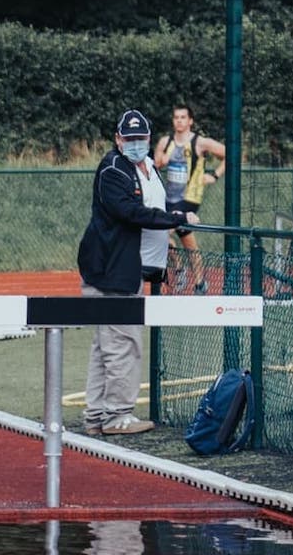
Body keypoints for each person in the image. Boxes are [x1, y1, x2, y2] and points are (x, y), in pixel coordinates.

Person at [77, 109, 199, 436]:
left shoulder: (146, 167)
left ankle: (97, 416)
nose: (134, 143)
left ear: (148, 138)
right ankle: (116, 415)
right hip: (112, 273)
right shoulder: (113, 168)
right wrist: (175, 220)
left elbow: (152, 209)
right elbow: (130, 213)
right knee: (122, 345)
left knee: (107, 347)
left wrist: (170, 222)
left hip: (125, 270)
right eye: (128, 138)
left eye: (140, 138)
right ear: (118, 139)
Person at [152, 104, 225, 294]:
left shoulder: (200, 143)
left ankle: (182, 271)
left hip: (189, 198)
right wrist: (162, 161)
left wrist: (214, 175)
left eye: (183, 117)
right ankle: (196, 279)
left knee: (164, 232)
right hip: (168, 198)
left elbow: (229, 154)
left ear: (190, 121)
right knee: (187, 241)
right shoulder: (165, 142)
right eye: (176, 117)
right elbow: (155, 165)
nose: (179, 121)